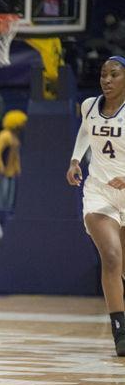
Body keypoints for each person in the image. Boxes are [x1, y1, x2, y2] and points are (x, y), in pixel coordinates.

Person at [66, 55, 125, 357]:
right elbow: (86, 130)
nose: (107, 79)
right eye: (104, 74)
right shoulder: (89, 105)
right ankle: (121, 333)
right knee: (112, 258)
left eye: (114, 74)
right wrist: (76, 159)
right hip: (99, 192)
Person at [0, 110, 27, 211]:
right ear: (17, 124)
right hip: (0, 172)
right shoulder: (4, 135)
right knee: (1, 199)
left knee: (9, 200)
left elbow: (15, 156)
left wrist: (17, 169)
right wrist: (1, 168)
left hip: (10, 172)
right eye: (22, 124)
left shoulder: (15, 137)